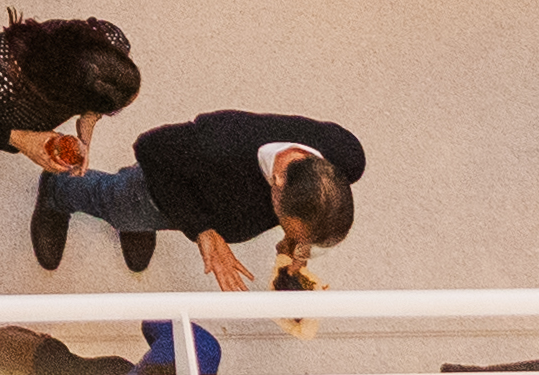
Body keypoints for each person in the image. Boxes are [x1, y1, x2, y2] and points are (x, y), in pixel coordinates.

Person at [34, 111, 363, 287]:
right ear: (277, 182)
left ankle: (136, 225)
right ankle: (56, 191)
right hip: (162, 188)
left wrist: (298, 247)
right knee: (119, 203)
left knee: (139, 216)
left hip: (200, 200)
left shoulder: (346, 157)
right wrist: (203, 229)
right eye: (286, 226)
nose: (288, 238)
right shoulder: (217, 144)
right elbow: (150, 150)